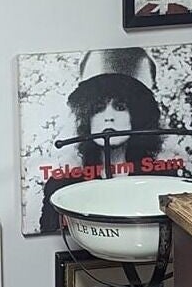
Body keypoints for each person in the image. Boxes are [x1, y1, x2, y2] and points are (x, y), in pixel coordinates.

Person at [39, 48, 182, 234]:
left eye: (120, 107)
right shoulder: (61, 187)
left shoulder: (165, 180)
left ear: (137, 115)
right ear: (86, 117)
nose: (109, 117)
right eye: (98, 108)